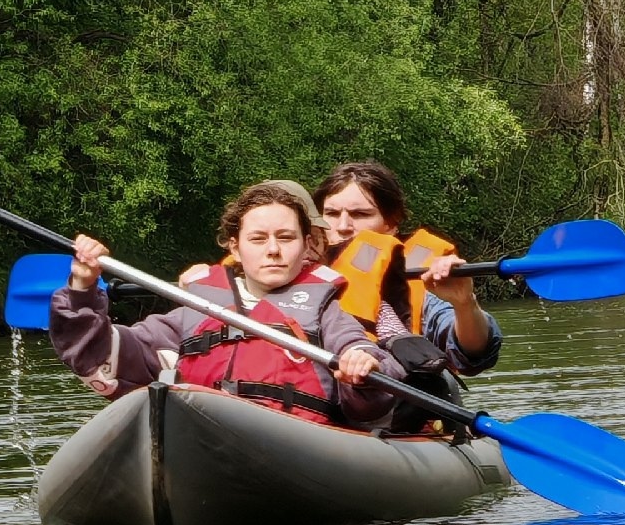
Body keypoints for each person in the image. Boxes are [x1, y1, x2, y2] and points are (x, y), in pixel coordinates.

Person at [48, 181, 396, 429]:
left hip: (298, 440)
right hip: (206, 432)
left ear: (307, 245)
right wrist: (82, 286)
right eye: (258, 239)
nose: (273, 250)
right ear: (235, 248)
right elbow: (98, 356)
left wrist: (363, 365)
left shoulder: (327, 311)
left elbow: (363, 359)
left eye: (285, 238)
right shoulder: (195, 311)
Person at [313, 160, 503, 384]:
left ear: (391, 225)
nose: (343, 225)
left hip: (391, 402)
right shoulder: (291, 271)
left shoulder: (418, 282)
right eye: (332, 213)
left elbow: (474, 354)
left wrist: (464, 303)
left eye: (360, 214)